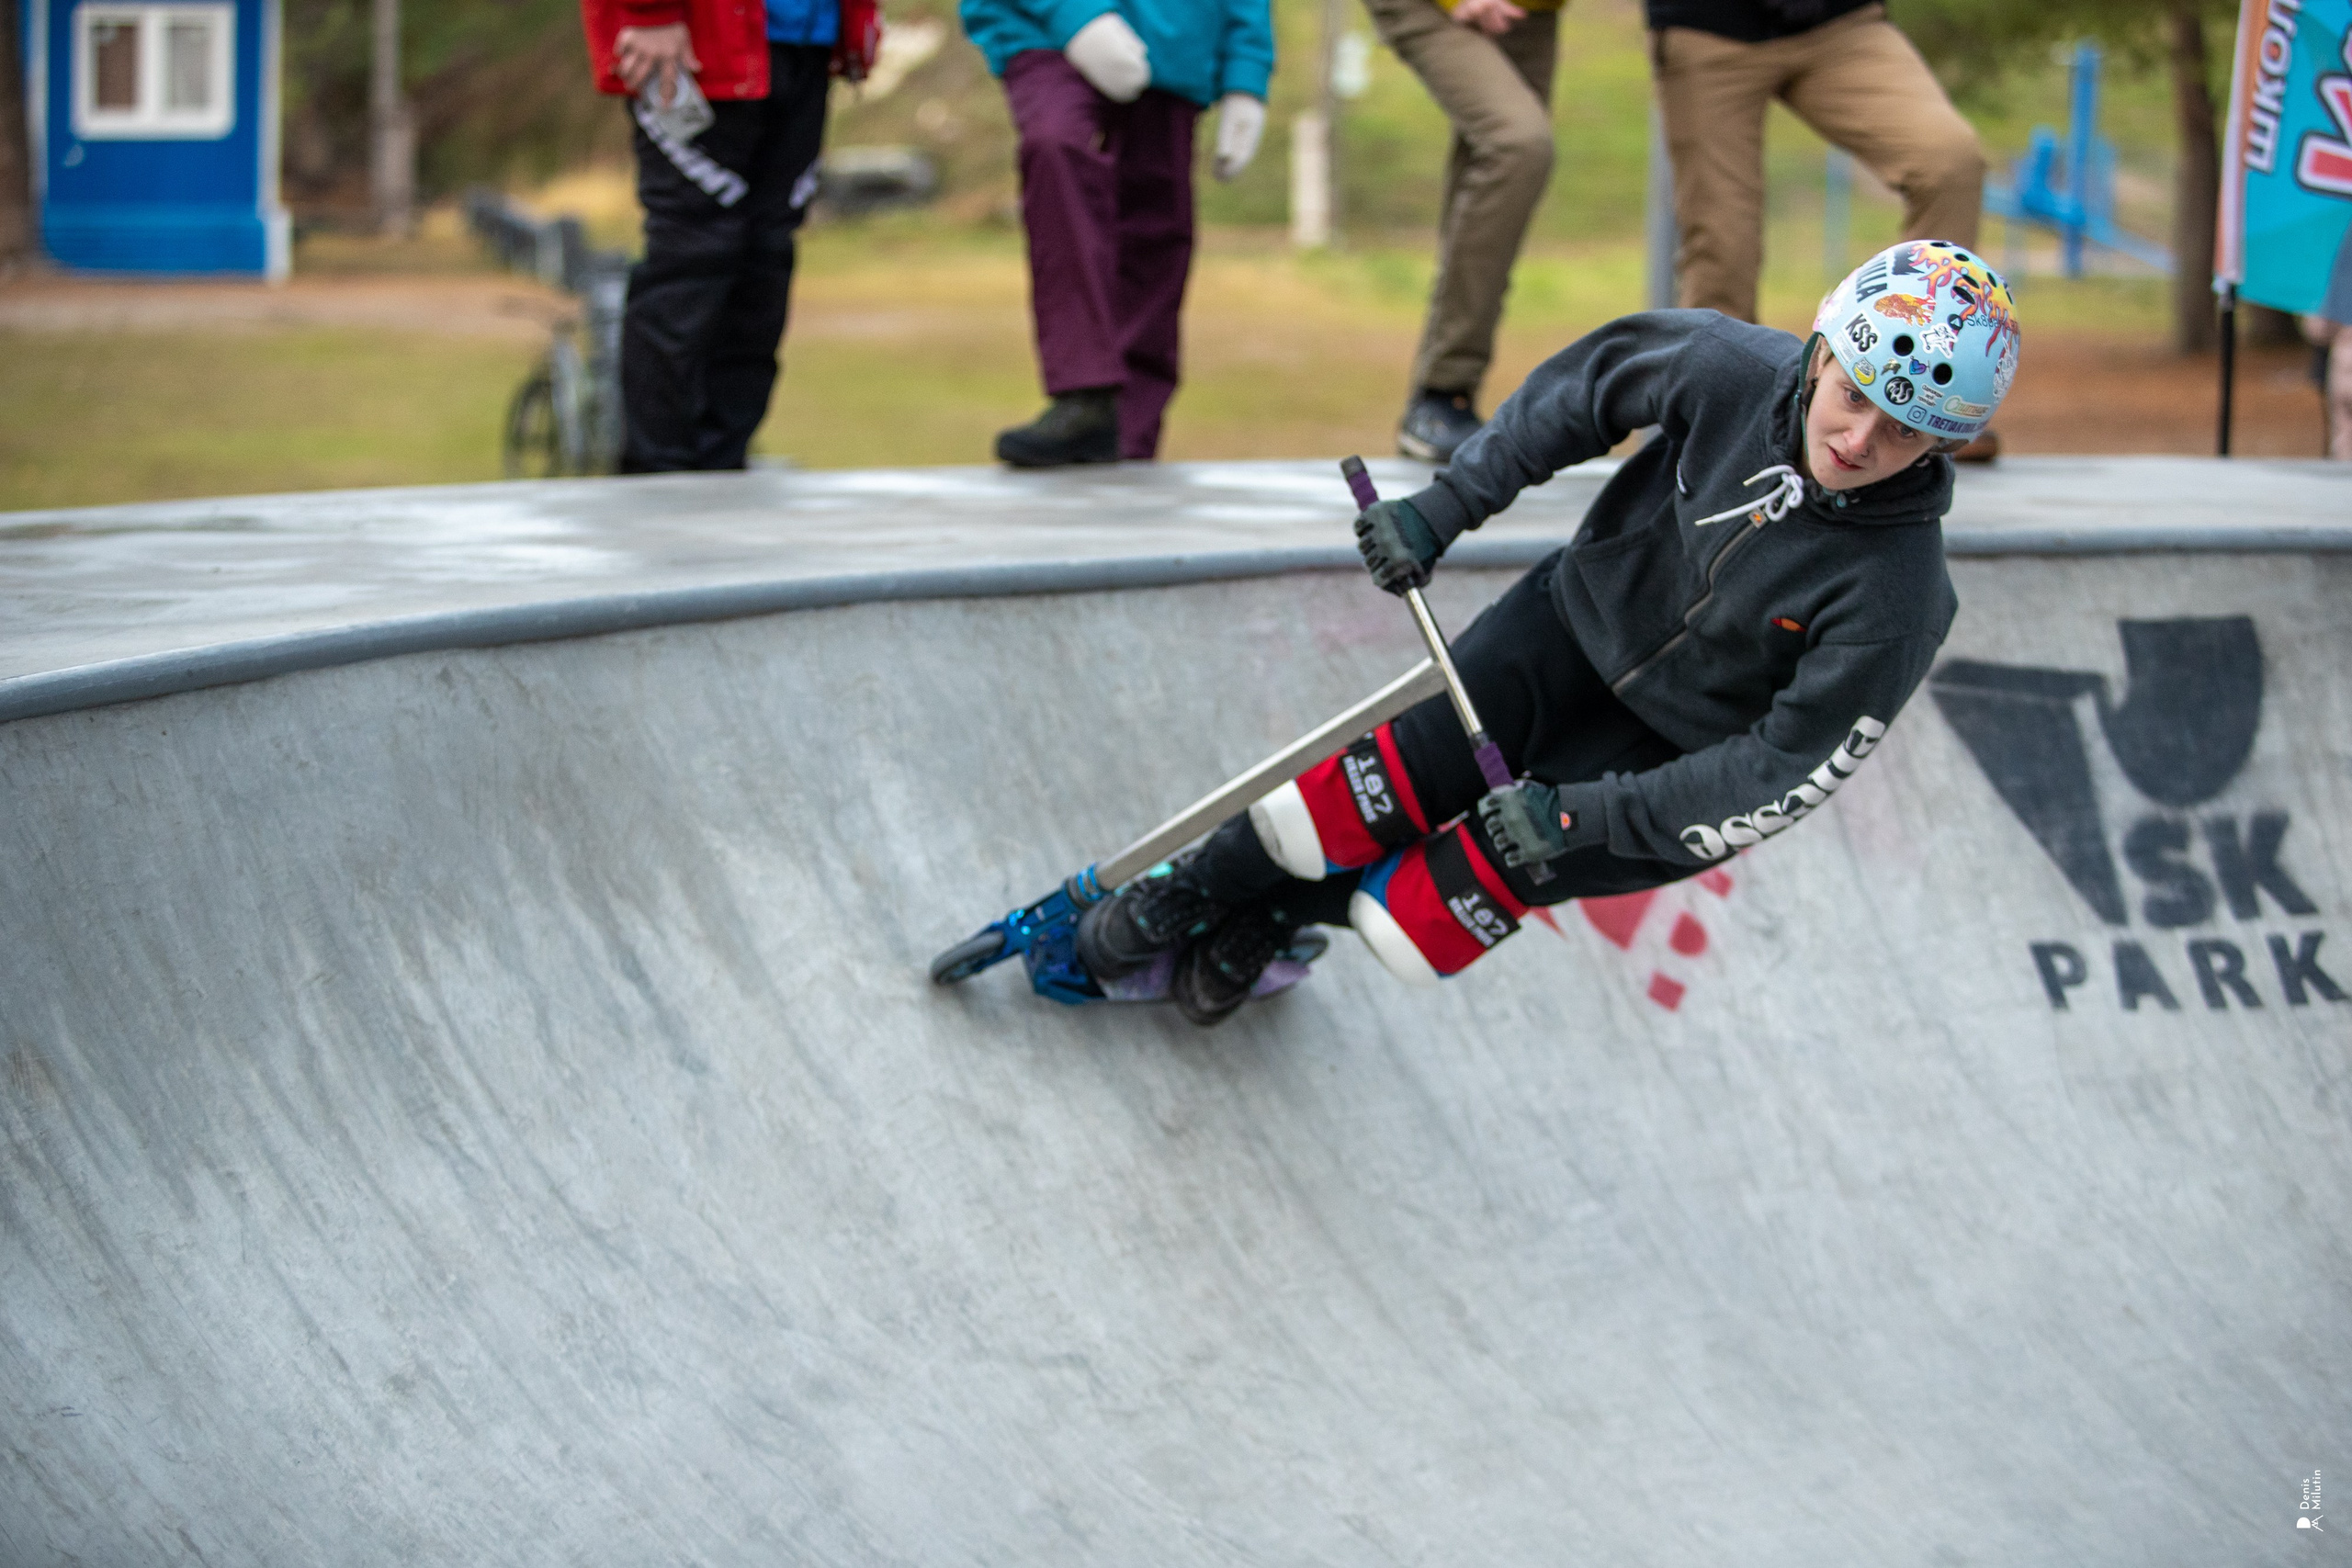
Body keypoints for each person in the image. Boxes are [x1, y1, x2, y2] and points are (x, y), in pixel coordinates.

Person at [1075, 239, 2020, 1025]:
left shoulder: (1900, 596)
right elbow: (1580, 394)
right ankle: (1208, 884)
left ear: (1940, 445)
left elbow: (1781, 771)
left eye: (1901, 432)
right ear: (1821, 353)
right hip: (1569, 625)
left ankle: (1281, 919)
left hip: (1670, 758)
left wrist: (1588, 818)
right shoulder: (1725, 369)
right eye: (1853, 395)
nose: (1857, 441)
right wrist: (1447, 506)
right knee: (1356, 797)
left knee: (1423, 918)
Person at [961, 0, 1273, 466]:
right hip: (1043, 30)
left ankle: (1132, 431)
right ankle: (1084, 395)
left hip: (1178, 38)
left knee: (1157, 225)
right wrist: (1074, 16)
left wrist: (1247, 72)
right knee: (1057, 145)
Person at [581, 0, 878, 472]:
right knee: (693, 256)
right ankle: (658, 475)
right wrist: (649, 11)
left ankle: (723, 461)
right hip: (700, 39)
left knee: (766, 258)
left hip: (805, 39)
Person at [1367, 0, 1564, 464]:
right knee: (1517, 144)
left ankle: (1448, 401)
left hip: (1533, 12)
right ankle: (1443, 390)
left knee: (1496, 170)